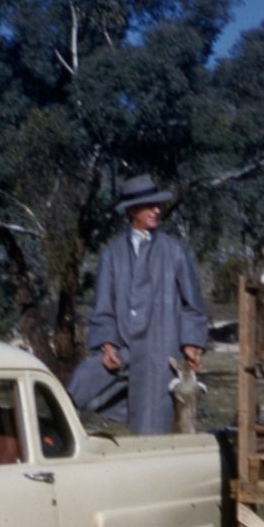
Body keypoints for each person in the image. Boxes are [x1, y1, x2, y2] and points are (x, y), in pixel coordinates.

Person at [67, 174, 209, 435]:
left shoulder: (174, 252)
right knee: (78, 387)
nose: (157, 210)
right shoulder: (112, 254)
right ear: (132, 211)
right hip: (122, 352)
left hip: (159, 353)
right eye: (149, 206)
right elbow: (103, 308)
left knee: (152, 428)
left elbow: (193, 306)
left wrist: (192, 343)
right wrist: (107, 345)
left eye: (158, 205)